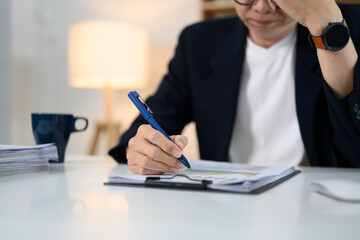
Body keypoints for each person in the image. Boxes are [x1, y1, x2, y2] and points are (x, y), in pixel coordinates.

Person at [109, 0, 360, 174]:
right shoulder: (199, 41)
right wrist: (143, 148)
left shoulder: (349, 26)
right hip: (228, 203)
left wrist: (324, 23)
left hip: (321, 203)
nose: (262, 8)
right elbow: (151, 123)